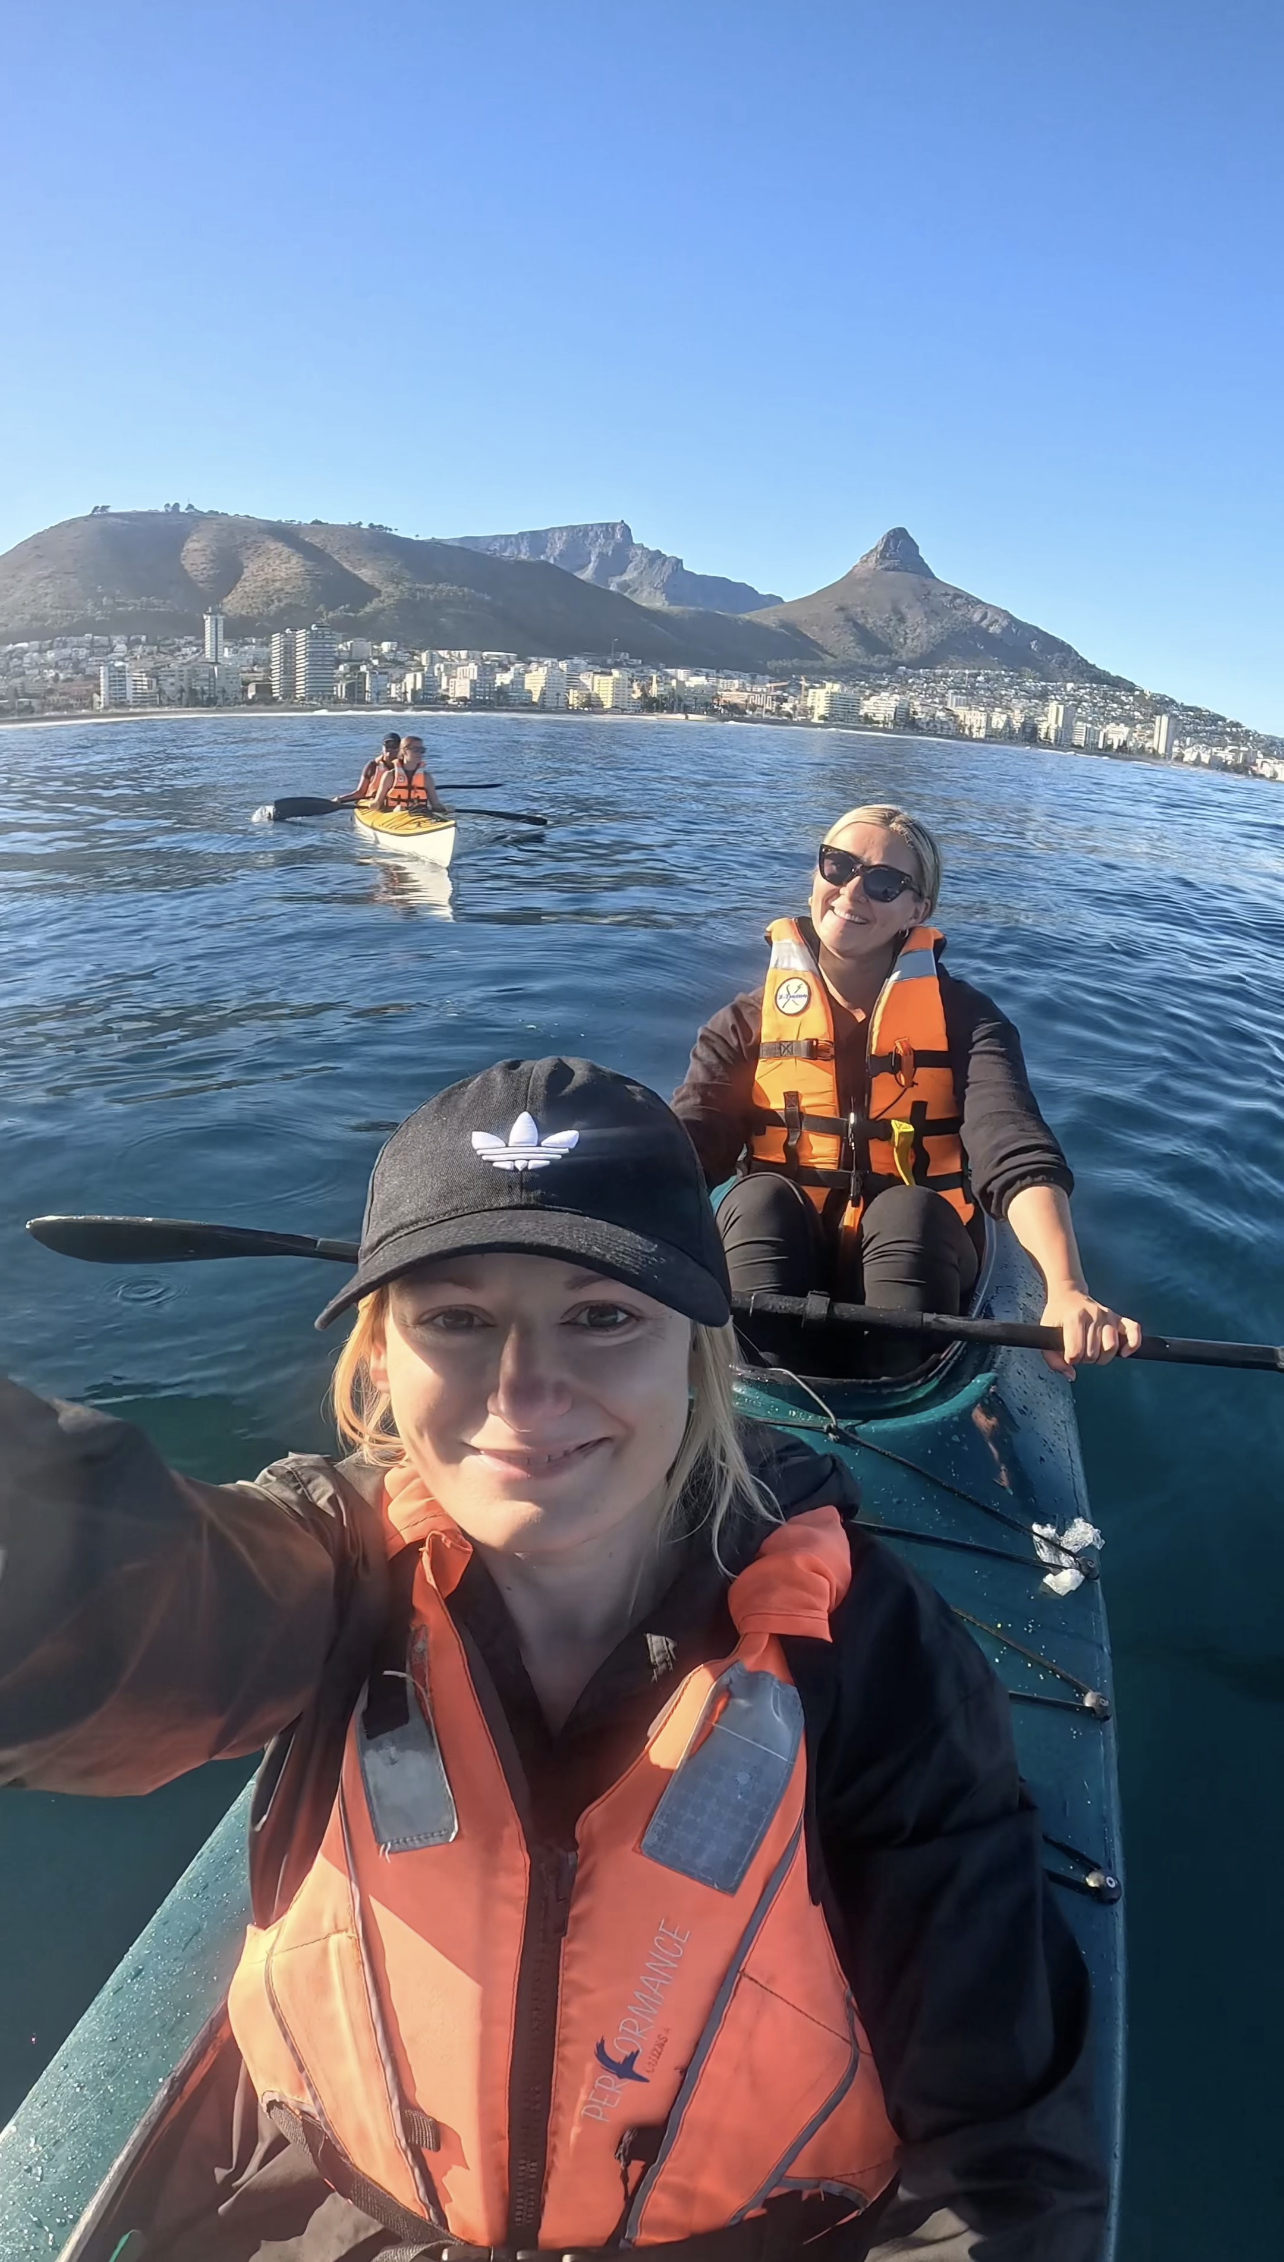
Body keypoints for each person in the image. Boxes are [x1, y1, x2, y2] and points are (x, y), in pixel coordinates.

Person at [0, 1057, 1106, 2261]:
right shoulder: (329, 1571)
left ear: (697, 1355)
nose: (525, 1395)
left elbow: (1003, 2164)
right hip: (341, 2220)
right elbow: (96, 1608)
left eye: (602, 1316)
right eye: (457, 1320)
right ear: (381, 1359)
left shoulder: (870, 1654)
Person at [672, 803, 1140, 1376]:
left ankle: (896, 1387)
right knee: (758, 1199)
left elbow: (1011, 1143)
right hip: (781, 1257)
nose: (851, 891)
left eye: (884, 882)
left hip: (919, 1265)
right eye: (837, 865)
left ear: (918, 908)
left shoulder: (969, 1021)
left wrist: (1067, 1288)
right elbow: (692, 1140)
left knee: (908, 1214)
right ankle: (755, 1401)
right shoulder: (744, 1023)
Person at [372, 733, 448, 815]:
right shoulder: (389, 776)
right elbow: (378, 803)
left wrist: (444, 809)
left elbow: (435, 805)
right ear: (404, 751)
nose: (420, 754)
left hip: (419, 816)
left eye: (422, 750)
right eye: (416, 750)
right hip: (393, 817)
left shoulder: (426, 778)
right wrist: (373, 806)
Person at [334, 731, 402, 805]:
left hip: (397, 806)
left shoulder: (406, 766)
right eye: (387, 746)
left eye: (394, 746)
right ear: (382, 748)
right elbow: (360, 793)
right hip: (372, 804)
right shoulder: (372, 766)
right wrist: (340, 799)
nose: (390, 749)